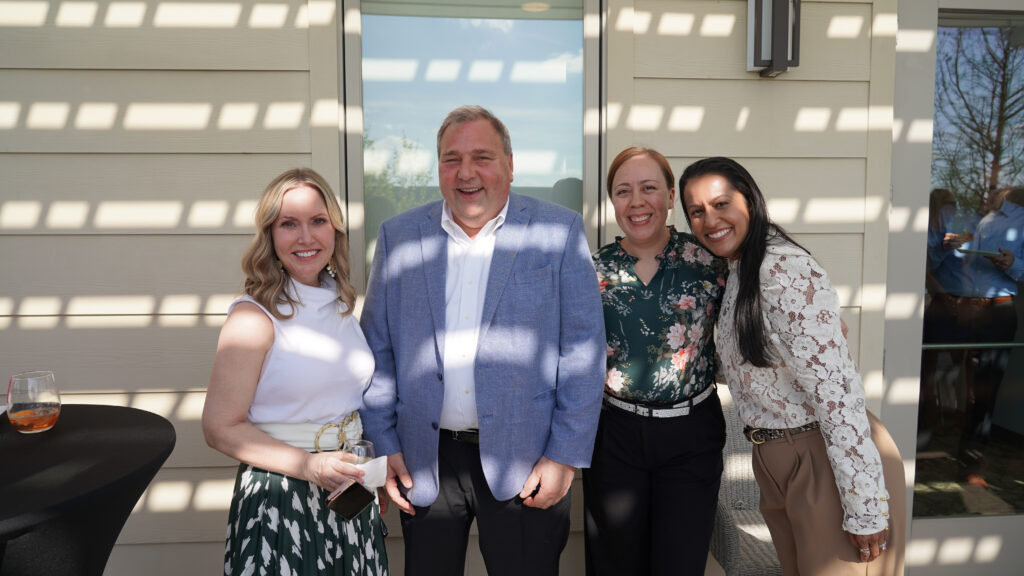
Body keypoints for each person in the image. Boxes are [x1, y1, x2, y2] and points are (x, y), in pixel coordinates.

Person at [359, 105, 606, 576]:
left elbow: (584, 350)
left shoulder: (559, 231)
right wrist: (384, 444)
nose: (466, 173)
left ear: (510, 165)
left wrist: (564, 457)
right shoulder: (399, 236)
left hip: (527, 458)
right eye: (451, 159)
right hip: (424, 458)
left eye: (482, 157)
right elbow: (378, 350)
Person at [679, 157, 905, 575]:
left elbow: (837, 394)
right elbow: (752, 366)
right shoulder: (740, 270)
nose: (710, 220)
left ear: (749, 201)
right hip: (775, 457)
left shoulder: (782, 267)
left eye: (721, 204)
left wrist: (865, 506)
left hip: (821, 457)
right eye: (696, 211)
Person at [203, 168, 388, 576]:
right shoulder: (253, 317)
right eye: (289, 224)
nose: (306, 237)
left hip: (348, 491)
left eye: (318, 221)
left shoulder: (340, 302)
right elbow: (219, 428)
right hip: (282, 497)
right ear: (270, 235)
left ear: (335, 230)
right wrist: (309, 466)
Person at [583, 147, 727, 576]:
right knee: (614, 564)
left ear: (669, 196)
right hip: (615, 434)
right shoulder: (592, 270)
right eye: (623, 191)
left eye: (649, 188)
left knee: (679, 563)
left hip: (691, 434)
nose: (636, 202)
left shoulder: (711, 261)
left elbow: (757, 307)